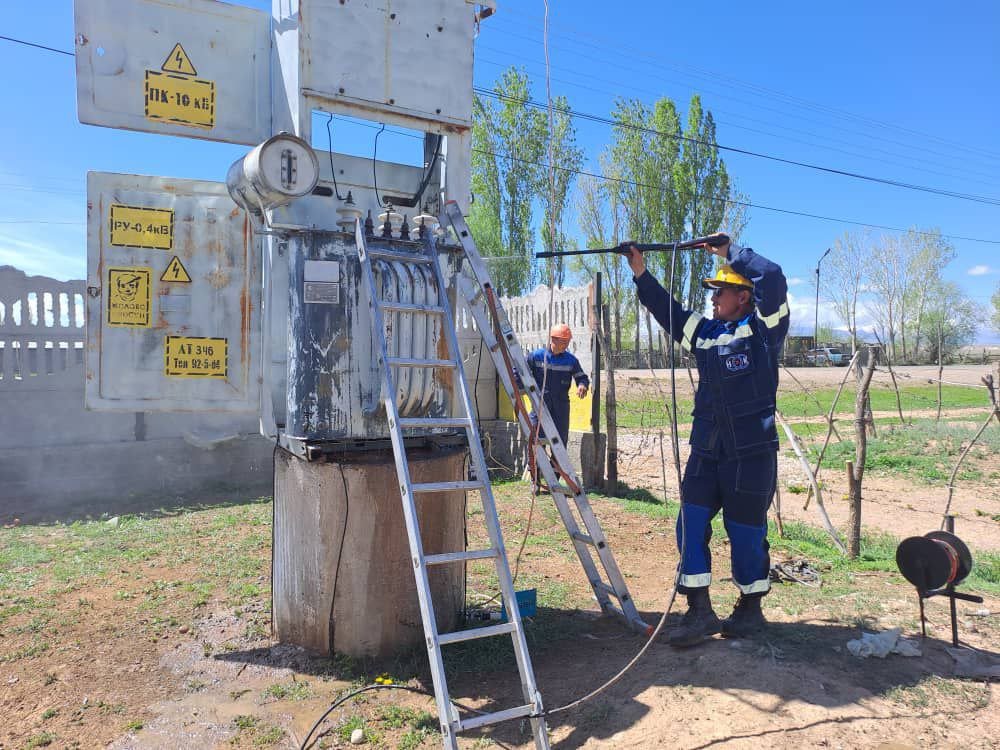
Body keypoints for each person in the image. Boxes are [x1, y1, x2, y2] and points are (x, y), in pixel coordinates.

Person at [626, 234, 789, 648]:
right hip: (706, 452)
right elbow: (668, 312)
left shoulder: (764, 331)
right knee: (691, 523)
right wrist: (640, 272)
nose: (714, 298)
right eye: (713, 292)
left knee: (746, 533)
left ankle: (750, 610)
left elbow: (771, 275)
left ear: (745, 297)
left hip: (750, 455)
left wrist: (729, 251)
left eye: (722, 291)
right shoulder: (705, 332)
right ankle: (698, 611)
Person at [526, 323, 590, 446]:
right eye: (563, 341)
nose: (566, 345)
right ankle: (536, 465)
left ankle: (556, 465)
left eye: (567, 341)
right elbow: (519, 372)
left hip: (561, 407)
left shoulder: (571, 360)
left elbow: (582, 377)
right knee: (535, 439)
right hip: (540, 405)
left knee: (559, 442)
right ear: (553, 339)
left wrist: (582, 385)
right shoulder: (536, 356)